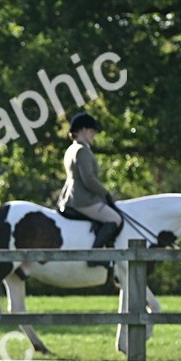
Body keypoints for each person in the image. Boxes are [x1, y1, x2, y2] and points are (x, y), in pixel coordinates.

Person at [57, 112, 122, 262]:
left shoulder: (71, 149)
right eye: (92, 132)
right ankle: (94, 255)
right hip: (82, 199)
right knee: (115, 218)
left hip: (70, 195)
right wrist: (105, 194)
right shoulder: (82, 150)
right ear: (83, 130)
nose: (93, 135)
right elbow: (89, 179)